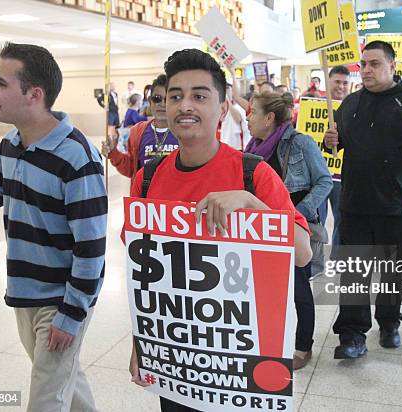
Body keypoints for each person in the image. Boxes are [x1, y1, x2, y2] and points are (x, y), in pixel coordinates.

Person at [127, 49, 312, 411]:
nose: (184, 106)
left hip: (242, 358)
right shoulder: (146, 181)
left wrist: (250, 204)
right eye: (175, 96)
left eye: (199, 95)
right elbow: (144, 278)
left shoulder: (253, 175)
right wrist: (141, 344)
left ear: (224, 108)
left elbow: (303, 253)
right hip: (177, 358)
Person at [0, 42, 106, 411]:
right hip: (25, 293)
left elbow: (92, 248)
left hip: (61, 299)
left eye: (1, 83)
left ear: (34, 94)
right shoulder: (11, 144)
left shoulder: (76, 158)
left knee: (45, 399)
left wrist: (71, 315)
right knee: (66, 385)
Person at [323, 41, 402, 358]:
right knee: (354, 272)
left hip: (398, 207)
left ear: (392, 66)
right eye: (363, 64)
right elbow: (338, 143)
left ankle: (389, 323)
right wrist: (330, 139)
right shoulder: (350, 104)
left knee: (392, 272)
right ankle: (351, 334)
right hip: (355, 205)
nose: (366, 70)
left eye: (374, 64)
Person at [246, 91, 332, 370]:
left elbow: (324, 182)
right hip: (262, 228)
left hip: (294, 227)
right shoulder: (252, 148)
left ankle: (302, 346)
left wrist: (298, 215)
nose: (248, 118)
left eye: (252, 113)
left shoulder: (300, 143)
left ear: (269, 118)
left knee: (299, 289)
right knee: (266, 289)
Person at [102, 74, 178, 189]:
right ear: (150, 101)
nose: (162, 104)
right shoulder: (137, 132)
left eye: (167, 99)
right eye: (157, 98)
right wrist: (114, 153)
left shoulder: (185, 132)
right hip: (144, 202)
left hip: (174, 203)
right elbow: (131, 170)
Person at [314, 65, 350, 277]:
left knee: (342, 219)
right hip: (318, 175)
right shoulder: (312, 105)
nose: (341, 86)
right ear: (327, 82)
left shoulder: (354, 107)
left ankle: (337, 260)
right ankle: (316, 262)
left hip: (341, 176)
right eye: (337, 81)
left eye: (345, 83)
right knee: (317, 220)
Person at [220, 83, 251, 150]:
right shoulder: (222, 107)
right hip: (225, 141)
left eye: (228, 89)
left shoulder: (240, 107)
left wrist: (228, 100)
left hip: (236, 145)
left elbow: (237, 119)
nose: (226, 92)